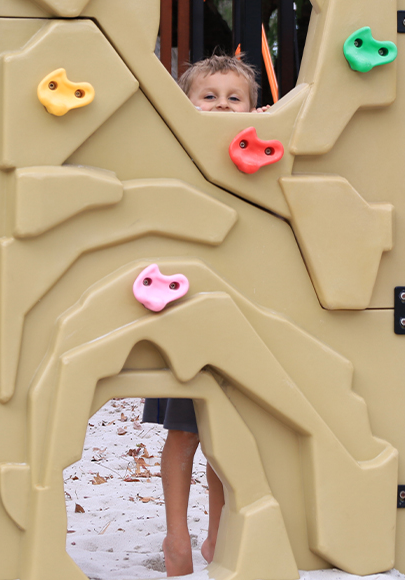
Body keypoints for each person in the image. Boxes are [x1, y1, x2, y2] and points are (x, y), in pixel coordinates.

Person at [143, 54, 266, 577]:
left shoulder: (260, 157)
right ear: (186, 105)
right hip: (184, 309)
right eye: (208, 96)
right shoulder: (178, 152)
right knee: (184, 430)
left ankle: (218, 533)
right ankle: (177, 537)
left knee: (226, 432)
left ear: (254, 109)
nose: (221, 105)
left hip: (240, 312)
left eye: (234, 98)